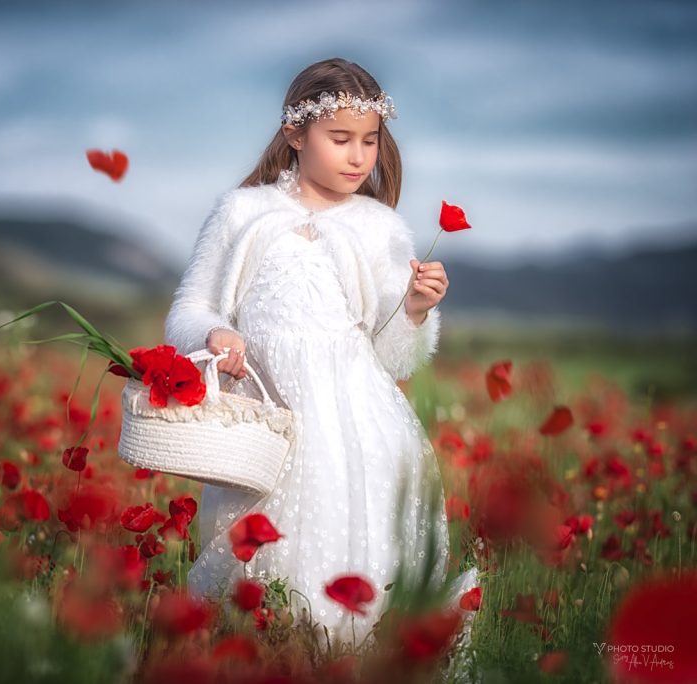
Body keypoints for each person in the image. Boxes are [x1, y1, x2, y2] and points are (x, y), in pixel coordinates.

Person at [163, 58, 479, 654]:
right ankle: (268, 653)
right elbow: (189, 307)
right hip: (268, 421)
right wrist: (212, 335)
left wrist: (413, 309)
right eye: (340, 140)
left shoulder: (379, 226)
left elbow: (392, 355)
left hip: (359, 426)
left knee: (354, 542)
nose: (359, 158)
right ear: (294, 135)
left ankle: (347, 656)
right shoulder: (243, 212)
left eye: (369, 141)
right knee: (267, 553)